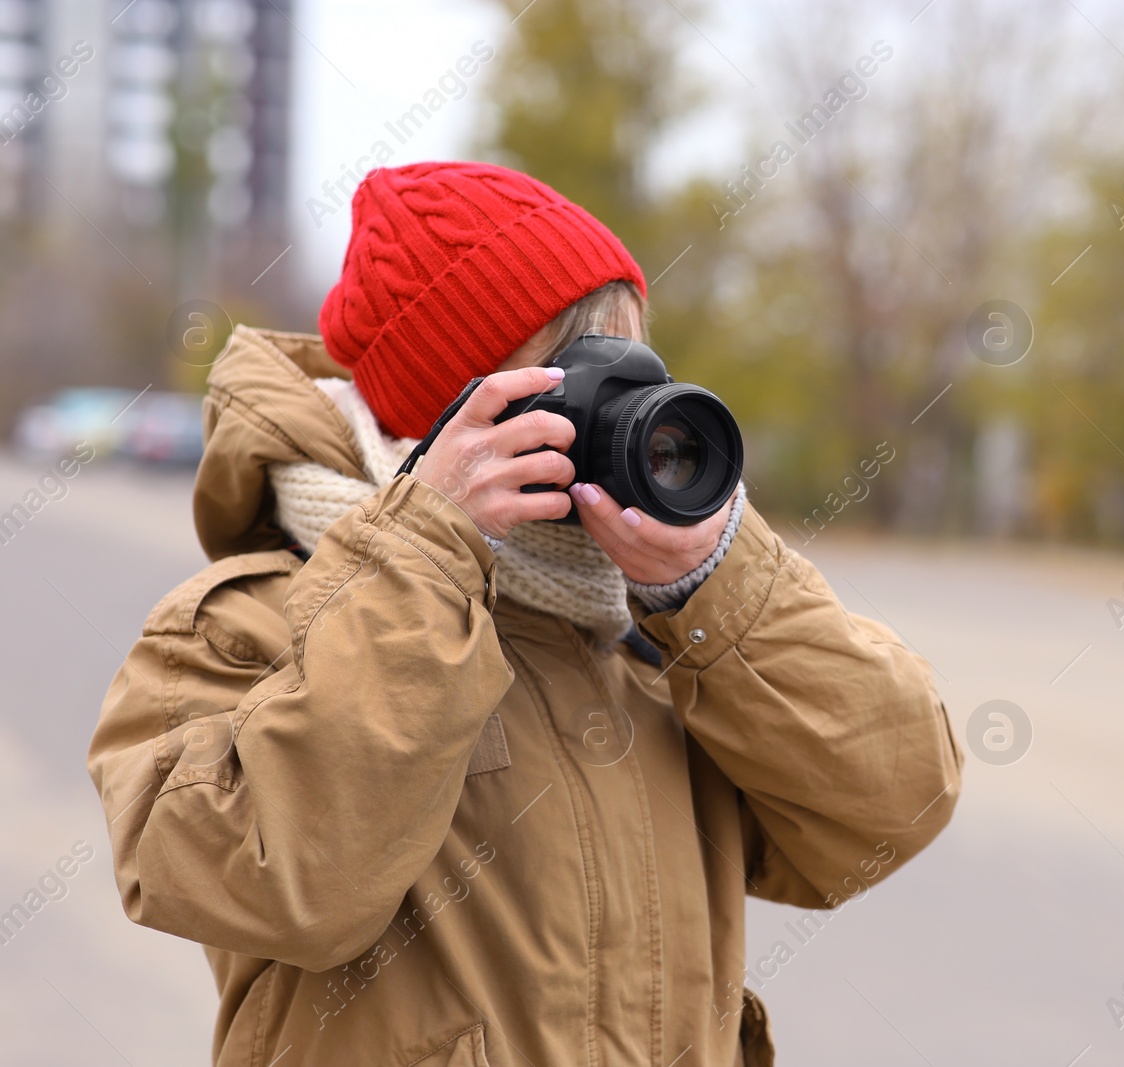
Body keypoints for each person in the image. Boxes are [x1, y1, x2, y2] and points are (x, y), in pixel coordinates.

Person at [87, 161, 961, 1067]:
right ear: (450, 412)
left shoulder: (652, 638)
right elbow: (281, 884)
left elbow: (890, 806)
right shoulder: (245, 627)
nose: (622, 408)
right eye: (578, 375)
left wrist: (718, 580)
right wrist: (425, 547)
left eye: (637, 365)